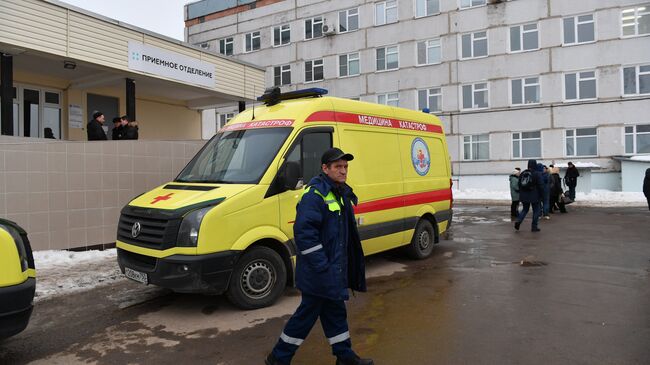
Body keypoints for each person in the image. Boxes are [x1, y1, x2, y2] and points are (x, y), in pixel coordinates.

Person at [266, 148, 372, 365]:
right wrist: (323, 266)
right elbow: (305, 234)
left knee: (335, 314)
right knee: (305, 317)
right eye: (338, 167)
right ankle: (278, 358)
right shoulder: (315, 194)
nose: (343, 171)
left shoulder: (339, 192)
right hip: (319, 273)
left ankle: (345, 357)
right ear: (325, 168)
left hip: (331, 270)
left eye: (345, 167)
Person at [515, 159, 543, 232]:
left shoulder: (523, 173)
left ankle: (518, 221)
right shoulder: (537, 173)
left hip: (524, 195)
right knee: (536, 211)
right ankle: (534, 227)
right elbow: (541, 185)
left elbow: (519, 184)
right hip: (535, 196)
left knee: (525, 209)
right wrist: (541, 195)